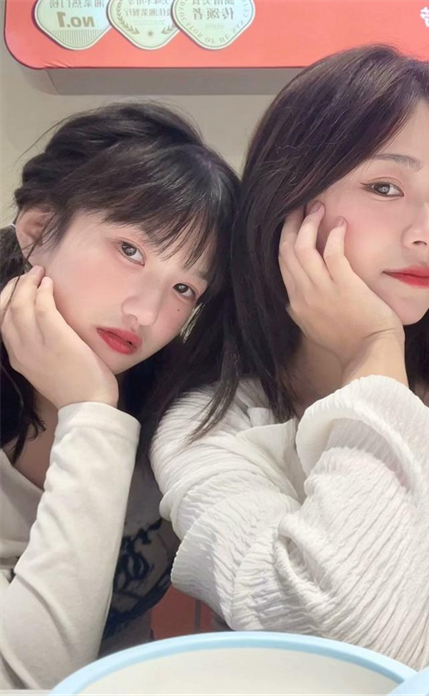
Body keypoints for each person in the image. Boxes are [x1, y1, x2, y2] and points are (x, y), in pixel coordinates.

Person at [150, 46, 429, 670]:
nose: (428, 232)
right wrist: (373, 354)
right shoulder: (209, 429)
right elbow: (355, 651)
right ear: (287, 203)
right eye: (385, 187)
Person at [0, 101, 239, 689]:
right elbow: (30, 679)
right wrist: (90, 411)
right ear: (37, 230)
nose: (147, 314)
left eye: (184, 287)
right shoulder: (105, 406)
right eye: (130, 250)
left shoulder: (173, 401)